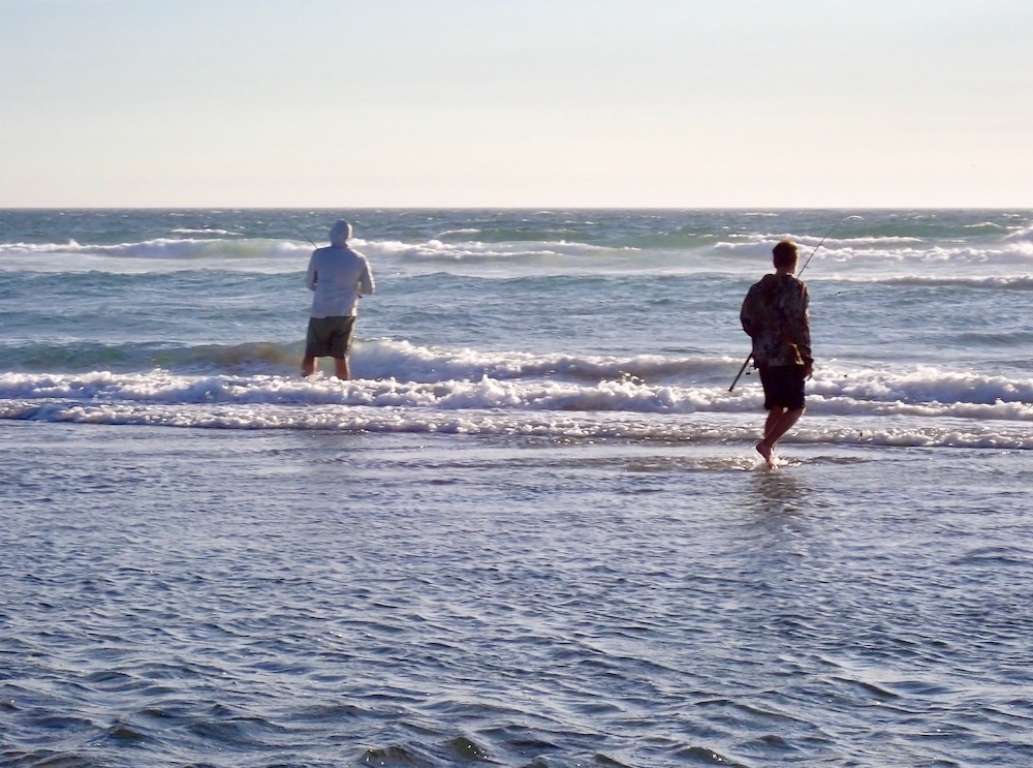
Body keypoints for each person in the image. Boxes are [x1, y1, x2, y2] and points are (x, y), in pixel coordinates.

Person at [740, 240, 813, 468]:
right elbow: (799, 324)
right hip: (788, 355)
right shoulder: (797, 287)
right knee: (797, 407)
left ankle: (769, 456)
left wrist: (761, 336)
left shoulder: (757, 288)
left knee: (777, 406)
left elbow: (746, 320)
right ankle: (767, 444)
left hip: (763, 355)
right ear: (795, 261)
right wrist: (807, 357)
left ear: (775, 261)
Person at [302, 220, 375, 379]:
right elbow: (369, 289)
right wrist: (356, 291)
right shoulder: (359, 258)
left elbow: (309, 284)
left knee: (311, 353)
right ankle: (342, 388)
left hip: (321, 311)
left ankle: (306, 384)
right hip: (346, 312)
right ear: (349, 236)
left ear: (331, 234)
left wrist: (320, 287)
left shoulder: (319, 254)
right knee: (341, 356)